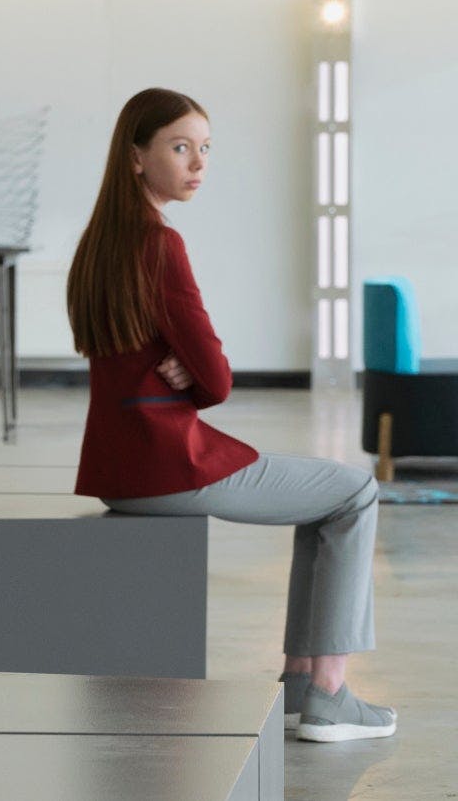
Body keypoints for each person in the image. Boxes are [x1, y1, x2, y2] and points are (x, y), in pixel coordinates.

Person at [66, 88, 395, 743]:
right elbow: (216, 380)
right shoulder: (162, 245)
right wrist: (194, 372)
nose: (197, 163)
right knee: (355, 492)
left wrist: (185, 369)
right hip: (170, 465)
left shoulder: (95, 248)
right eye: (180, 147)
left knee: (323, 502)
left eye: (205, 149)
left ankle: (303, 684)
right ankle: (327, 689)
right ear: (136, 157)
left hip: (116, 466)